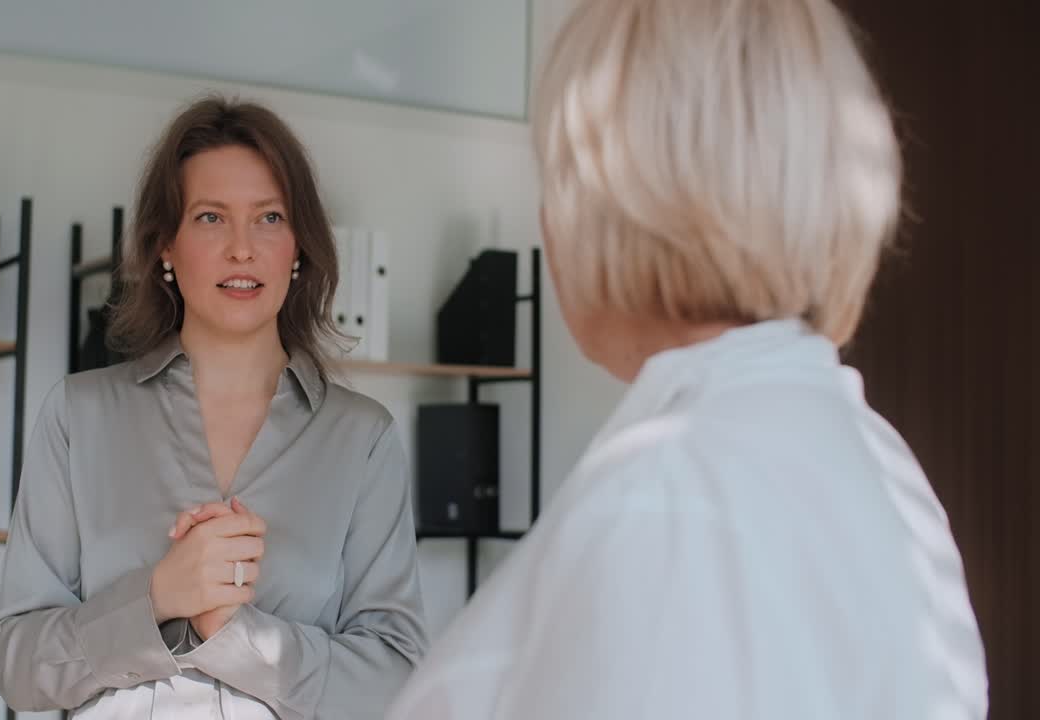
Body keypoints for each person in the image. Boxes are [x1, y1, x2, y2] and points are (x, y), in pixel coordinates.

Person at [386, 0, 988, 718]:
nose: (545, 219)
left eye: (554, 174)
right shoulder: (877, 466)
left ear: (615, 202)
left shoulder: (668, 500)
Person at [0, 96, 428, 719]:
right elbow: (17, 666)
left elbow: (397, 679)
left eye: (269, 217)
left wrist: (236, 634)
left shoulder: (361, 439)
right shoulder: (78, 416)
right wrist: (156, 597)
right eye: (211, 218)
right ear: (165, 244)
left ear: (299, 246)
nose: (242, 248)